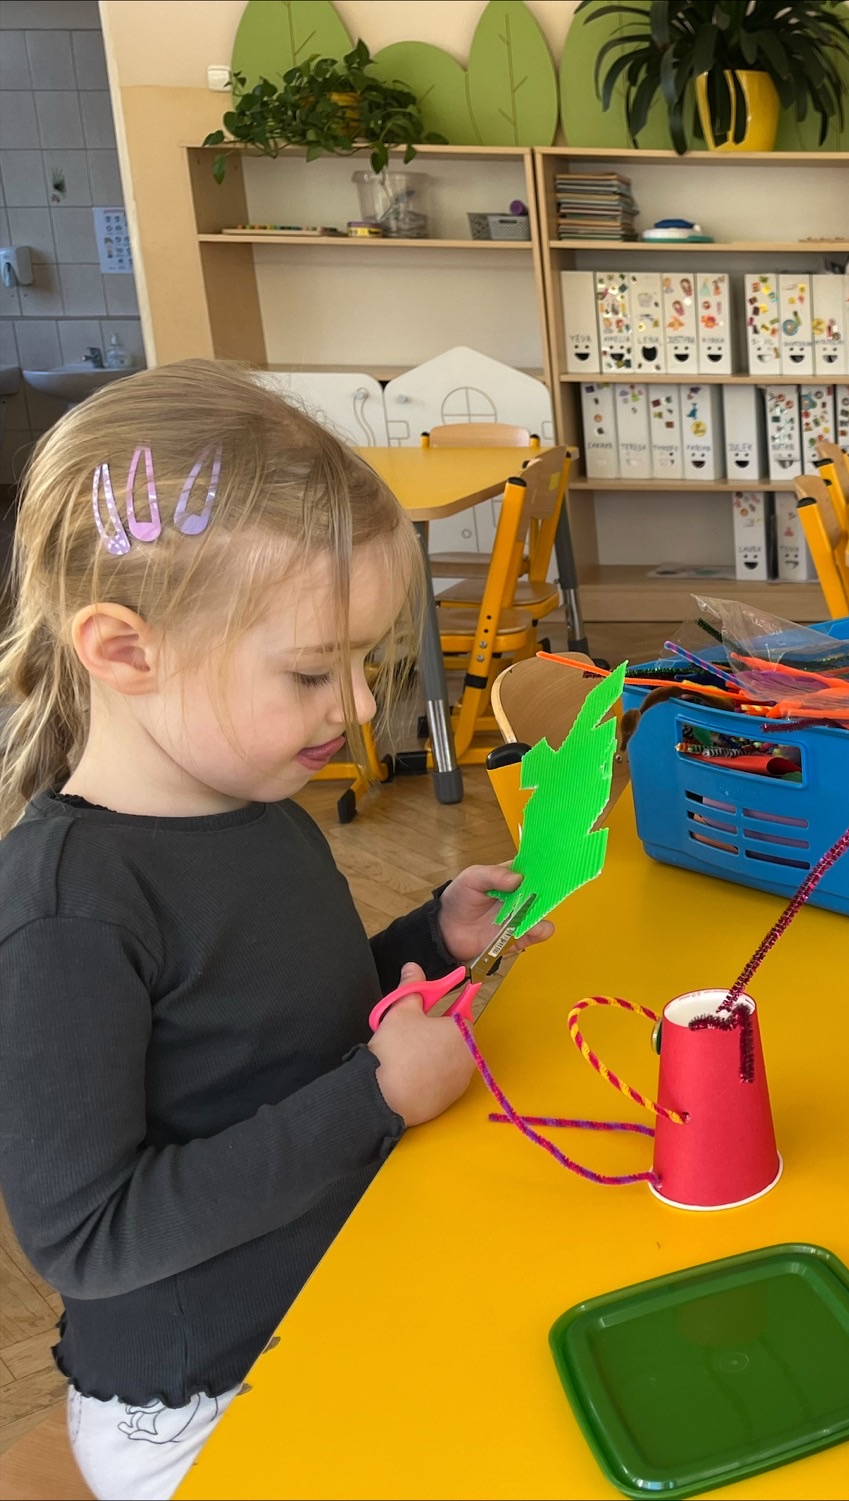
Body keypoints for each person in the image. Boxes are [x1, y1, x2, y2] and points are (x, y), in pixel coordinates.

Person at [0, 362, 551, 1499]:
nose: (359, 705)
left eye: (361, 661)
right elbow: (90, 1233)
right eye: (312, 670)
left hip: (333, 1298)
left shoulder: (256, 805)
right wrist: (374, 1097)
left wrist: (429, 935)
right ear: (124, 649)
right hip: (201, 1402)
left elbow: (281, 1028)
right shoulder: (66, 909)